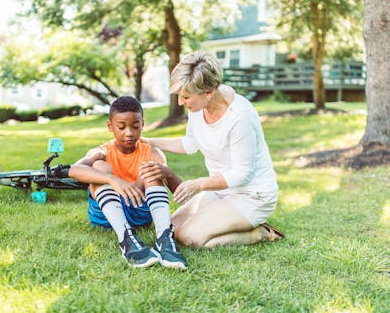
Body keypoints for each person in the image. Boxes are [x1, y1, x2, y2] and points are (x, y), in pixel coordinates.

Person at [139, 51, 284, 249]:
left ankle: (260, 233)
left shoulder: (240, 117)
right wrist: (149, 141)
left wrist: (198, 184)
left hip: (252, 196)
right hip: (221, 191)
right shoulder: (198, 109)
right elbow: (190, 143)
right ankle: (226, 221)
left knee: (191, 238)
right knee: (171, 228)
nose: (181, 102)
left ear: (209, 92)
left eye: (186, 97)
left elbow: (243, 173)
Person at [68, 96, 188, 270]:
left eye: (135, 126)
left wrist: (167, 173)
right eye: (121, 127)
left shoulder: (152, 152)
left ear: (143, 124)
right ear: (110, 126)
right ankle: (126, 238)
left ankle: (164, 239)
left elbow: (181, 195)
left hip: (140, 212)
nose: (129, 133)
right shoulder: (102, 150)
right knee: (99, 167)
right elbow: (74, 170)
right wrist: (113, 180)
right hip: (106, 216)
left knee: (152, 168)